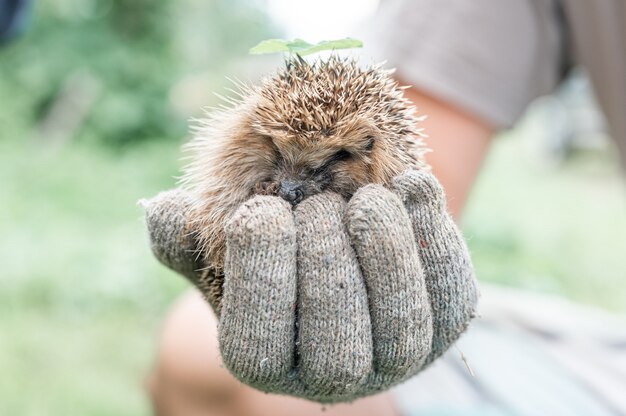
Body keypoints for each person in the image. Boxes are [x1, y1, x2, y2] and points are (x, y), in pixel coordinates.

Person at [146, 0, 626, 414]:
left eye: (330, 161)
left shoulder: (380, 152)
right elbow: (436, 174)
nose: (294, 186)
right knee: (192, 344)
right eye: (281, 157)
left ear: (366, 149)